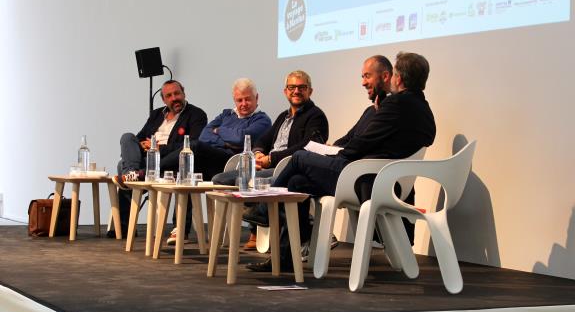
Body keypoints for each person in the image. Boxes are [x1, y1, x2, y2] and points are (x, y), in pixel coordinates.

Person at [244, 52, 436, 272]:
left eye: (366, 76)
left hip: (362, 177)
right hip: (369, 174)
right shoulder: (422, 108)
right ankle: (286, 258)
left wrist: (332, 152)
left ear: (398, 78)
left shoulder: (396, 106)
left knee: (298, 158)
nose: (363, 82)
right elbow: (359, 140)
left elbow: (358, 146)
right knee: (296, 181)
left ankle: (262, 208)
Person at [212, 70, 329, 248]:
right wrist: (258, 153)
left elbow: (306, 147)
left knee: (244, 181)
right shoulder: (283, 116)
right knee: (219, 180)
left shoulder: (316, 116)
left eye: (301, 87)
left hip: (287, 168)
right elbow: (264, 140)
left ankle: (267, 217)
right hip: (268, 165)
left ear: (310, 91)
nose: (296, 91)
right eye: (292, 87)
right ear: (285, 91)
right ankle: (261, 217)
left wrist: (271, 159)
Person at [159, 78, 271, 244]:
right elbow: (206, 135)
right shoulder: (227, 114)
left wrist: (219, 131)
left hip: (232, 164)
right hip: (213, 162)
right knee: (186, 170)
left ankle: (148, 170)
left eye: (248, 99)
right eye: (239, 100)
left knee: (194, 147)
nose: (244, 104)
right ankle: (180, 228)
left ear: (257, 98)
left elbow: (241, 139)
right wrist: (226, 139)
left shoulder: (262, 120)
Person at [111, 80, 207, 237]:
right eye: (169, 96)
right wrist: (144, 145)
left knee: (122, 164)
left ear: (184, 93)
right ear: (164, 99)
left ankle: (125, 222)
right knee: (127, 138)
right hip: (147, 160)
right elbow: (139, 137)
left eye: (177, 93)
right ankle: (133, 173)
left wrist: (158, 148)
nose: (174, 98)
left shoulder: (196, 115)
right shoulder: (156, 114)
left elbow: (194, 144)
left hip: (172, 164)